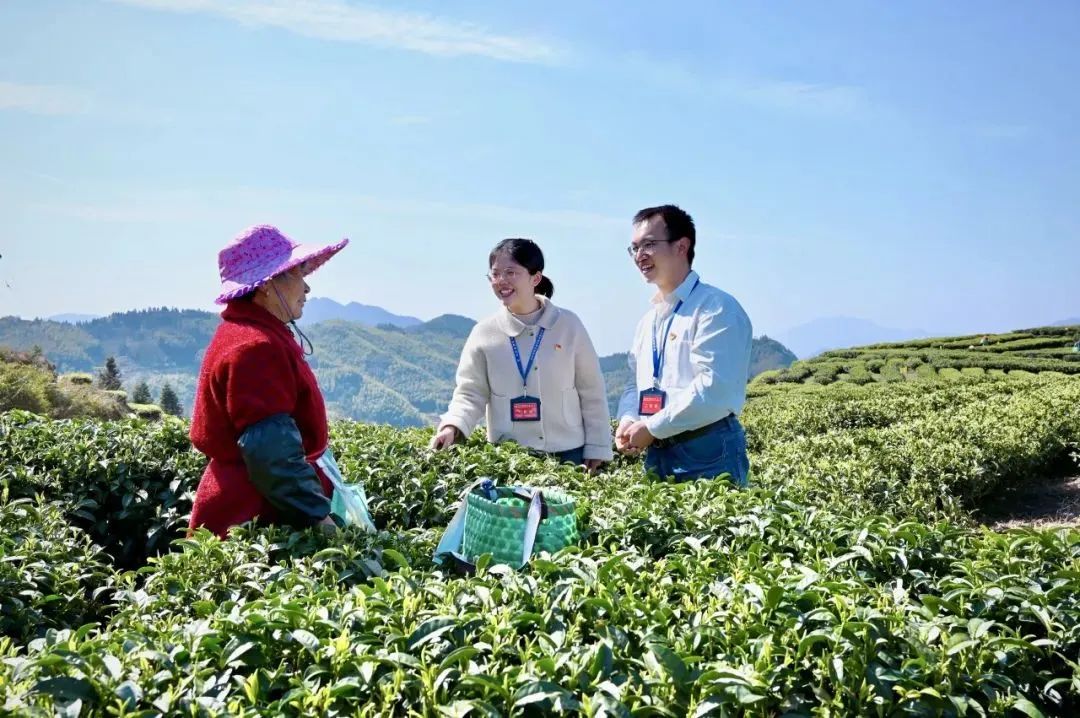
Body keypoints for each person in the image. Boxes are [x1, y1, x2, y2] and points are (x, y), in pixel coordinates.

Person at [188, 224, 349, 537]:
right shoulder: (255, 347)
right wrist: (320, 520)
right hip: (255, 514)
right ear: (266, 285)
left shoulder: (247, 333)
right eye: (297, 274)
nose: (307, 288)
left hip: (251, 502)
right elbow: (272, 455)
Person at [430, 238, 613, 470]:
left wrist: (598, 446)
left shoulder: (569, 325)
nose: (501, 281)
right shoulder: (484, 333)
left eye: (511, 272)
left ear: (535, 278)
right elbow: (470, 393)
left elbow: (591, 391)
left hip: (569, 454)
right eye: (495, 274)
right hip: (509, 458)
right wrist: (451, 426)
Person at [615, 205, 753, 485]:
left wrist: (652, 426)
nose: (640, 255)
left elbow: (713, 388)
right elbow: (634, 382)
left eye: (649, 245)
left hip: (706, 448)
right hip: (657, 449)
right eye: (634, 248)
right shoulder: (649, 321)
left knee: (716, 529)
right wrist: (628, 418)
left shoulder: (716, 308)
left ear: (682, 246)